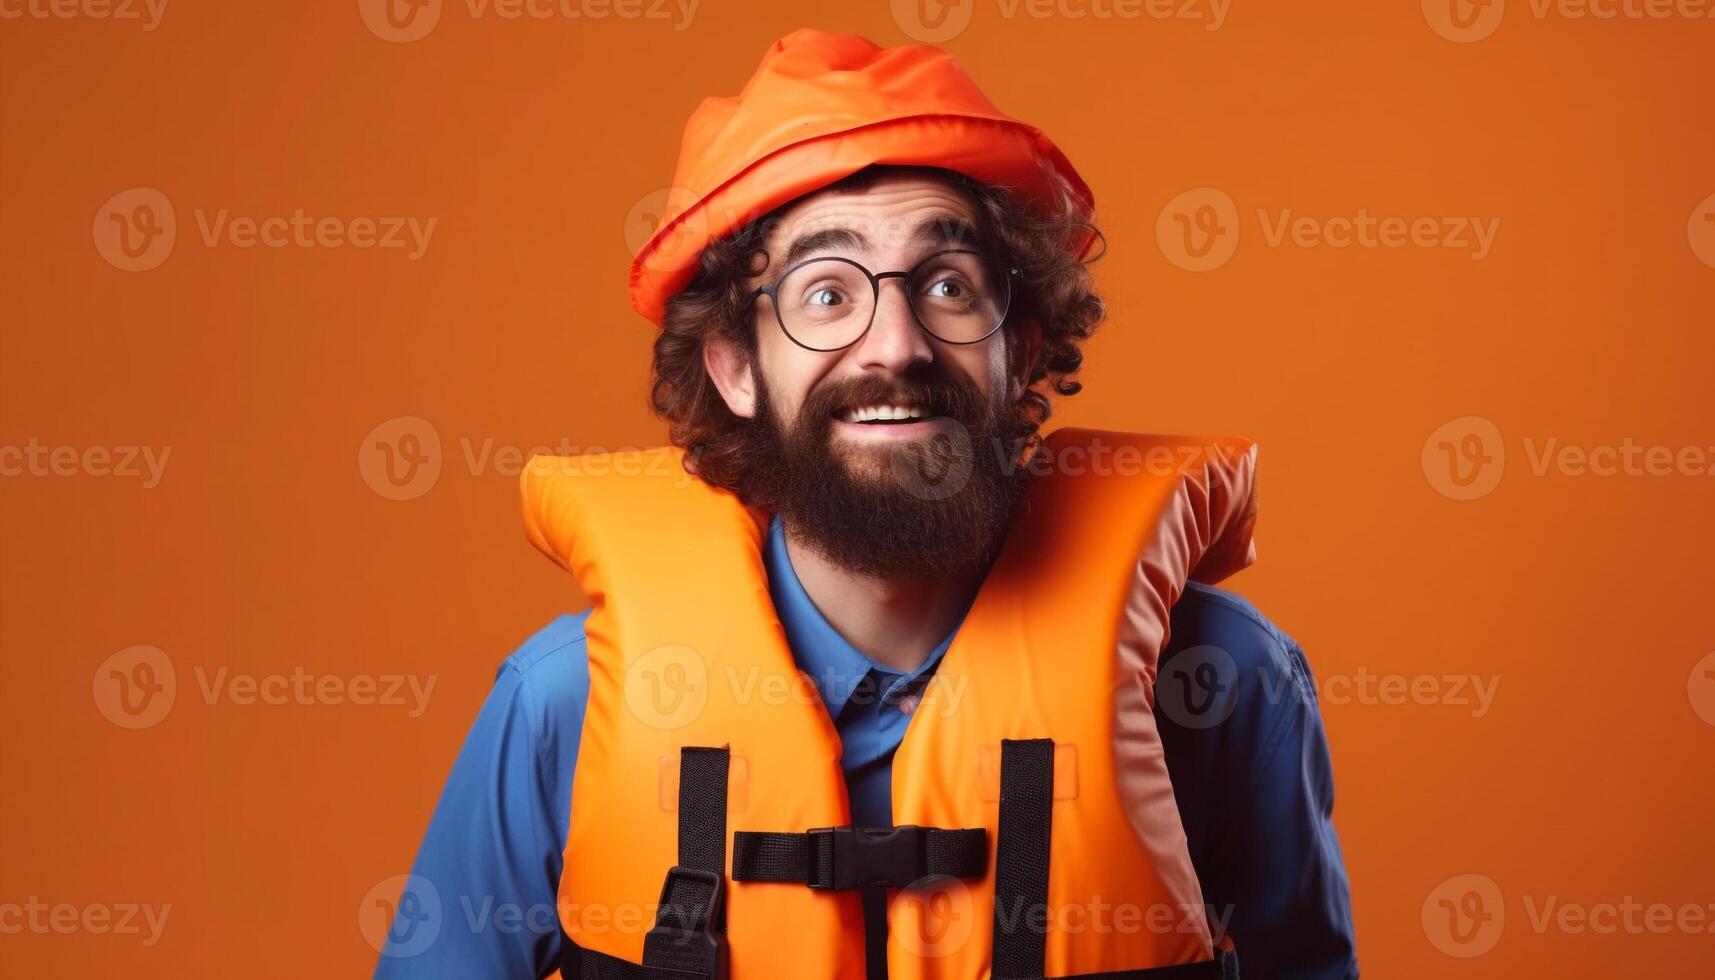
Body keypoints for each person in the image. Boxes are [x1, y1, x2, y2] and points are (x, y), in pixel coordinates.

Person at [377, 29, 1356, 980]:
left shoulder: (1219, 682)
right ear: (734, 367)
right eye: (825, 293)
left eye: (945, 283)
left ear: (1017, 344)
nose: (895, 344)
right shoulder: (562, 701)